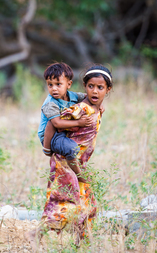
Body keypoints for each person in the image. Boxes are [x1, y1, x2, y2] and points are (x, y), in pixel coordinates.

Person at [26, 64, 113, 251]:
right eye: (91, 87)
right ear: (85, 86)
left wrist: (99, 107)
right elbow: (53, 124)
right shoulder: (78, 109)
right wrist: (47, 149)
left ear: (108, 90)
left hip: (79, 164)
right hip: (65, 162)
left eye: (100, 88)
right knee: (65, 203)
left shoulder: (87, 104)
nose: (95, 91)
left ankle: (82, 242)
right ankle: (37, 233)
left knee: (88, 203)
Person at [38, 62, 94, 182]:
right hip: (51, 136)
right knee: (72, 148)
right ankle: (79, 174)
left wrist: (99, 105)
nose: (54, 89)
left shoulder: (72, 96)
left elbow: (87, 97)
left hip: (64, 130)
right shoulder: (50, 103)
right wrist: (79, 123)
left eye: (58, 84)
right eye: (50, 85)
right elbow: (57, 123)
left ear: (69, 84)